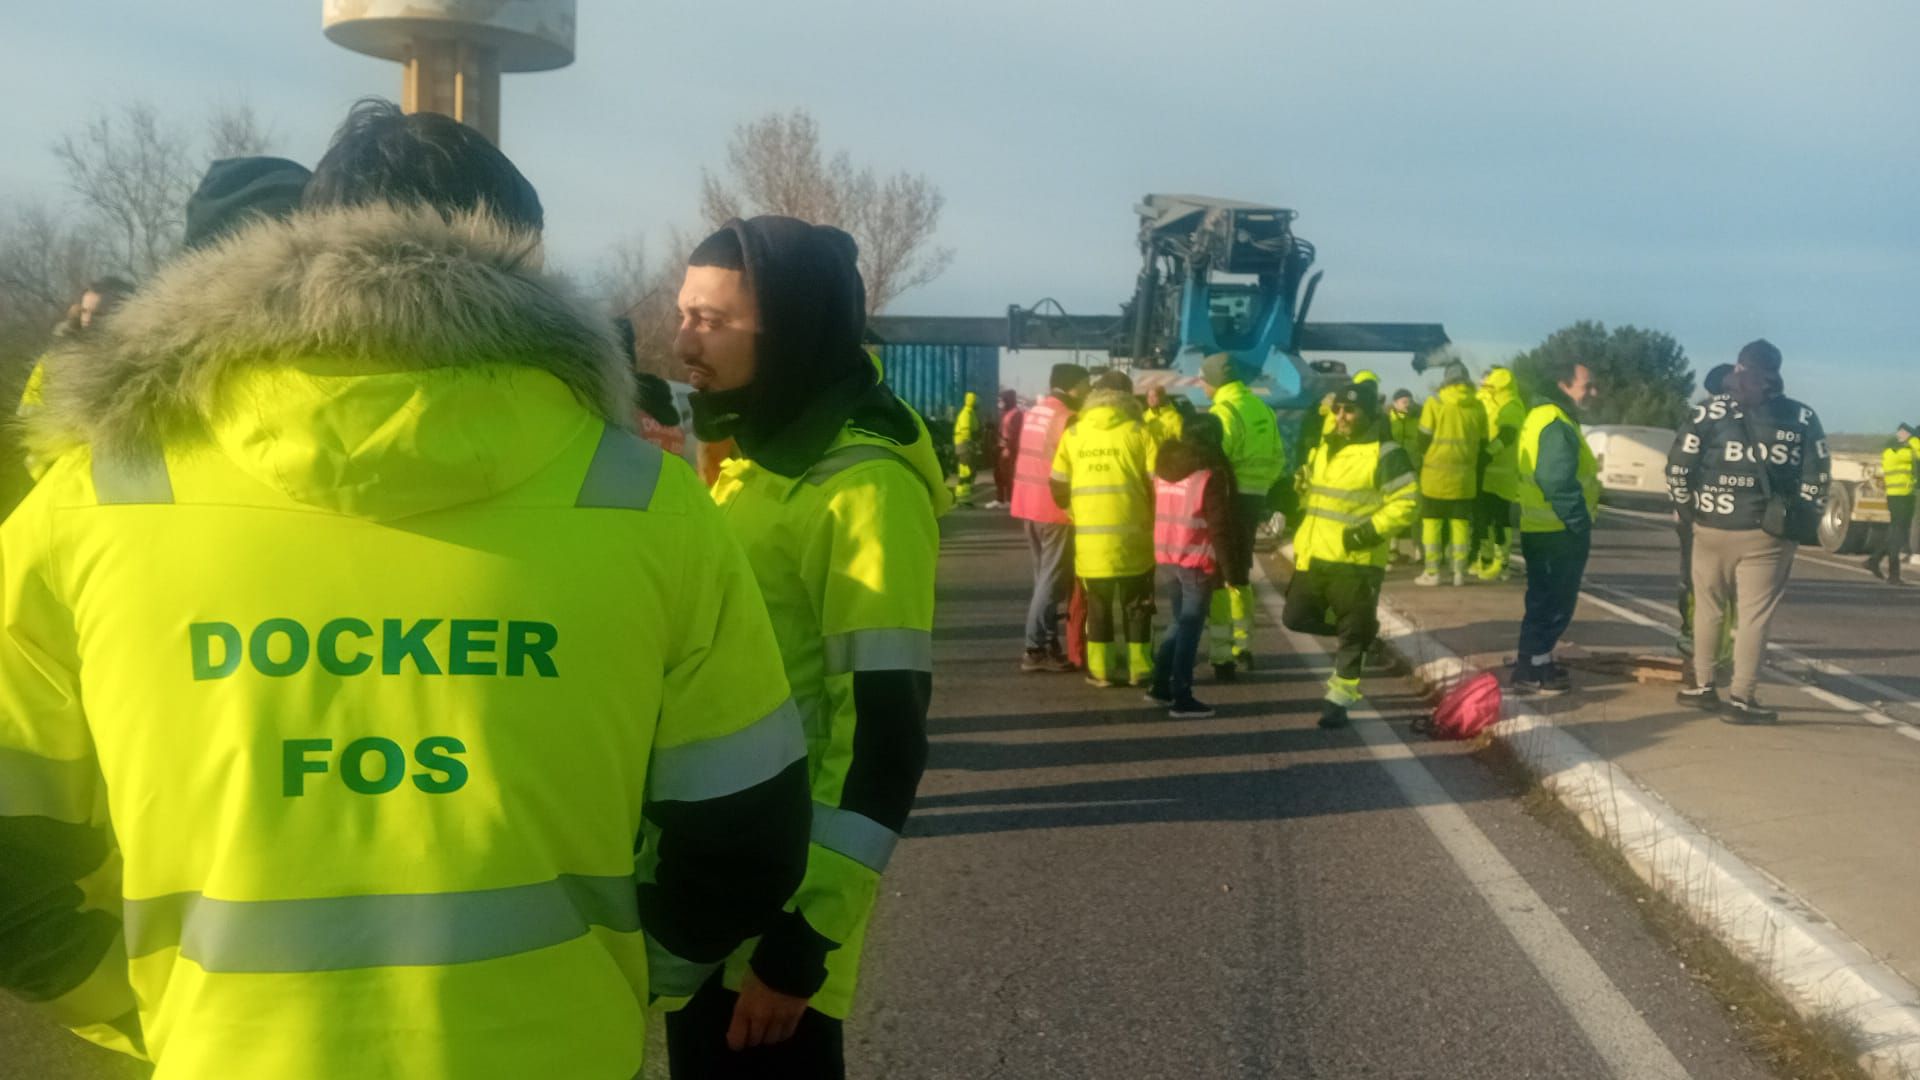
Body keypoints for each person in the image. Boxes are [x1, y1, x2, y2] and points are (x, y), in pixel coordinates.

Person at [0, 99, 811, 1079]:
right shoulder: (645, 501)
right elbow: (748, 833)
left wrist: (147, 1013)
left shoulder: (98, 497)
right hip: (553, 1049)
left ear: (293, 247)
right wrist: (631, 980)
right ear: (524, 269)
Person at [671, 217, 945, 1077]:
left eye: (712, 320)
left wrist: (801, 945)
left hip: (774, 925)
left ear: (788, 331)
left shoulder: (863, 488)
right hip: (711, 895)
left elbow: (884, 740)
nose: (683, 342)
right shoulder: (759, 462)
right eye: (683, 314)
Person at [1667, 341, 1828, 722]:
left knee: (1708, 608)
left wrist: (1691, 512)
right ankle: (1741, 697)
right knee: (1753, 617)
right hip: (1766, 534)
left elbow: (1677, 468)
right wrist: (1798, 524)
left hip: (1710, 525)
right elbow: (1817, 478)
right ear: (1776, 371)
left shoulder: (1707, 411)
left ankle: (1703, 685)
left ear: (1739, 368)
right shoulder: (1802, 417)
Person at [1284, 382, 1419, 728]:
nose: (1341, 416)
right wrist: (1301, 487)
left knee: (1351, 635)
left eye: (1350, 410)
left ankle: (1339, 701)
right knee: (1294, 617)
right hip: (1314, 554)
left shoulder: (1386, 453)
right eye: (1338, 409)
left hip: (1356, 561)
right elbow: (1318, 499)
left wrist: (1366, 533)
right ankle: (1362, 631)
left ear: (1369, 414)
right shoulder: (1325, 448)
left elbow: (1407, 503)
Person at [1052, 369, 1160, 688]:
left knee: (1098, 606)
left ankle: (1100, 670)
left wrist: (1075, 512)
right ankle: (1140, 668)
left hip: (1090, 541)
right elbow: (1158, 486)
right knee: (1137, 605)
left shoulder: (1074, 434)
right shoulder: (1140, 433)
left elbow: (1057, 485)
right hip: (1135, 537)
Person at [1511, 355, 1601, 696]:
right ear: (1563, 385)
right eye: (1586, 386)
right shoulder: (1555, 422)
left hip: (1545, 527)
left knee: (1545, 600)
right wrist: (1578, 520)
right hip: (1558, 530)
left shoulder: (1544, 416)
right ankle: (1532, 670)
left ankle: (1539, 660)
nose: (1594, 392)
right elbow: (1553, 479)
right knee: (1553, 603)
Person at [1147, 414, 1241, 718]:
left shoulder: (1164, 471)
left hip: (1167, 556)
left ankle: (1159, 684)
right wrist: (1231, 571)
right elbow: (1220, 528)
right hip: (1196, 559)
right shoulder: (1208, 476)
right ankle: (1182, 695)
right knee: (1190, 627)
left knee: (1179, 621)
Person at [1202, 352, 1286, 677]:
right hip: (1255, 497)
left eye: (1203, 379)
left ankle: (1222, 654)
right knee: (1240, 572)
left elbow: (1218, 461)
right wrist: (1260, 487)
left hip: (1228, 500)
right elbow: (1279, 457)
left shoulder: (1223, 411)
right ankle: (1244, 646)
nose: (1201, 384)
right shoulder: (1261, 407)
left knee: (1220, 575)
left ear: (1214, 381)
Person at [1012, 364, 1092, 671]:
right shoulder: (1066, 418)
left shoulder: (1035, 412)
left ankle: (1046, 642)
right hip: (1054, 509)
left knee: (1042, 579)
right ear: (1073, 386)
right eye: (1086, 384)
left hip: (1028, 505)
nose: (1088, 390)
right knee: (1050, 582)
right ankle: (1034, 648)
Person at [1676, 363, 1734, 658]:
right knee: (1726, 586)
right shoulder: (1747, 419)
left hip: (1703, 512)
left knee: (1698, 581)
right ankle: (1719, 646)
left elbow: (1679, 467)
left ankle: (1698, 640)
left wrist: (1682, 506)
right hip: (1734, 516)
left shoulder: (1701, 417)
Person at [1416, 359, 1488, 586]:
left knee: (1432, 524)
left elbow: (1422, 439)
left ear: (1446, 379)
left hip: (1434, 476)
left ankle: (1432, 571)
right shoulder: (1478, 406)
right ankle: (1459, 571)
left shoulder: (1435, 402)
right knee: (1460, 524)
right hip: (1464, 477)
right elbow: (1484, 442)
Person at [1472, 366, 1525, 580]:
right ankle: (1485, 558)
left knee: (1500, 519)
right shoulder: (1483, 399)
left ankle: (1502, 562)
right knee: (1482, 518)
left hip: (1501, 472)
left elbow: (1508, 435)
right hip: (1482, 470)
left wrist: (1488, 453)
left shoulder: (1512, 404)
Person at [1869, 422, 1915, 584]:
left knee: (1897, 533)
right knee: (1897, 534)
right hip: (1900, 498)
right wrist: (1914, 439)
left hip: (1902, 497)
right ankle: (1892, 574)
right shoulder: (1898, 452)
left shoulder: (1895, 450)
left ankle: (1875, 560)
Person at [991, 388, 1022, 508]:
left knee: (1008, 475)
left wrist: (1008, 448)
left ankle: (1010, 500)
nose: (1000, 403)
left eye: (1002, 400)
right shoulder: (1005, 413)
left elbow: (1015, 434)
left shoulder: (1017, 414)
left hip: (1010, 449)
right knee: (998, 474)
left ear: (1008, 400)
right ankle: (1000, 499)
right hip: (1001, 446)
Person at [952, 390, 979, 507]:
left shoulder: (970, 413)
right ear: (973, 402)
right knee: (965, 472)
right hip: (964, 446)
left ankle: (964, 498)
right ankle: (961, 498)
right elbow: (966, 431)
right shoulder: (966, 414)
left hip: (966, 445)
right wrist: (972, 444)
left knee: (967, 472)